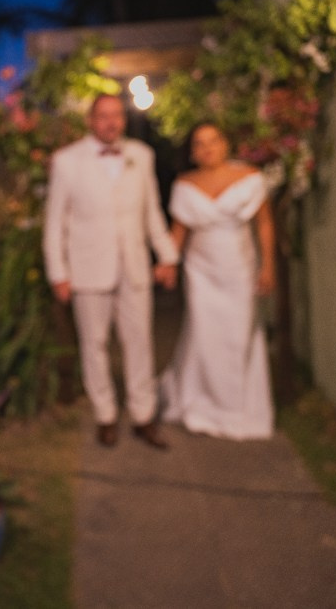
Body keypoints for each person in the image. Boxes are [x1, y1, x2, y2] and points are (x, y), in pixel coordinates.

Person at [43, 94, 179, 449]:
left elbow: (152, 212)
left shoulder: (141, 155)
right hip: (88, 270)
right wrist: (58, 272)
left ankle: (143, 416)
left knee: (140, 343)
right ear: (90, 120)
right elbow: (55, 223)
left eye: (116, 116)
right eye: (103, 116)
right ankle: (105, 414)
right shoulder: (67, 161)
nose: (111, 122)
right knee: (95, 344)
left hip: (134, 267)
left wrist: (166, 255)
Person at [158, 122, 275, 440]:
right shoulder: (185, 184)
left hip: (239, 267)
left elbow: (264, 223)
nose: (207, 148)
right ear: (193, 152)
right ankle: (203, 404)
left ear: (225, 144)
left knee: (239, 334)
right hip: (201, 271)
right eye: (199, 143)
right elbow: (179, 232)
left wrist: (268, 267)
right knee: (204, 332)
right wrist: (168, 263)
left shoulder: (249, 178)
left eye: (213, 141)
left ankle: (238, 408)